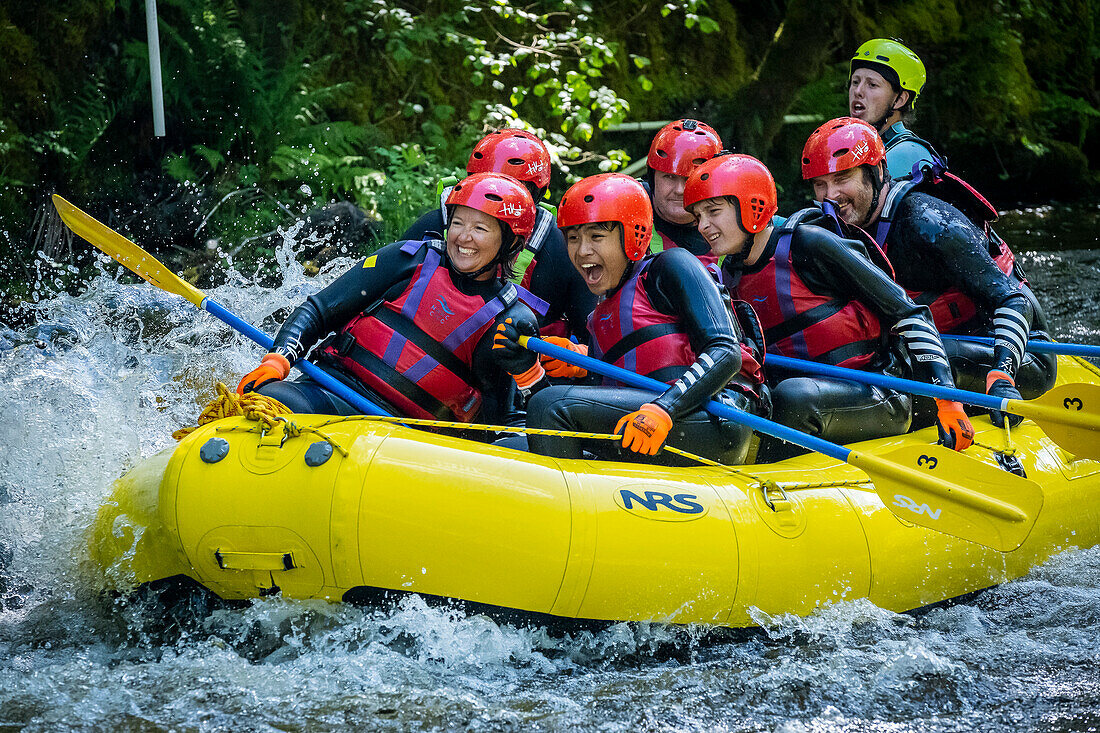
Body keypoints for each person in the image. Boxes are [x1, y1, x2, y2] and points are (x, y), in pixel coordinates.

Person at [684, 153, 974, 456]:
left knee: (794, 396)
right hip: (807, 400)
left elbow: (910, 313)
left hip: (880, 393)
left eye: (713, 212)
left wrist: (946, 398)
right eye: (698, 217)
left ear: (752, 205)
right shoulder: (730, 274)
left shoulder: (809, 244)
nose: (703, 226)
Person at [497, 172, 767, 465]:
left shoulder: (670, 266)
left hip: (712, 419)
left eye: (596, 236)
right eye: (573, 238)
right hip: (647, 428)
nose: (582, 250)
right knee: (511, 445)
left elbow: (726, 352)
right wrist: (527, 372)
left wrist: (665, 409)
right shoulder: (598, 316)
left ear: (634, 235)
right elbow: (564, 423)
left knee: (551, 405)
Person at [802, 117, 1057, 426]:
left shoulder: (927, 221)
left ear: (878, 172)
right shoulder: (839, 230)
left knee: (904, 360)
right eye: (820, 184)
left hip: (1021, 355)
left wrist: (1002, 375)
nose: (830, 195)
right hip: (944, 347)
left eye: (843, 178)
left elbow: (1013, 300)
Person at [237, 173, 548, 424]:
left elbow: (495, 427)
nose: (463, 237)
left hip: (404, 439)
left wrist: (527, 373)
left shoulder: (509, 319)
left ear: (510, 243)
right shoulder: (405, 259)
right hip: (329, 391)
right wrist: (278, 359)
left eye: (480, 228)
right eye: (457, 223)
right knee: (275, 400)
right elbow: (319, 311)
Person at [402, 128, 594, 340]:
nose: (492, 203)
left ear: (534, 195)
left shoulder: (559, 250)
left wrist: (576, 356)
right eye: (484, 186)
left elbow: (593, 340)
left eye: (510, 191)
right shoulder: (438, 224)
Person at [849, 38, 938, 179]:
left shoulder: (908, 153)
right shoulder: (859, 146)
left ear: (900, 100)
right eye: (855, 82)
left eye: (872, 84)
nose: (857, 91)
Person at [642, 119, 724, 258]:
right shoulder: (625, 204)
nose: (679, 190)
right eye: (669, 177)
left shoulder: (734, 220)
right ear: (652, 179)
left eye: (689, 179)